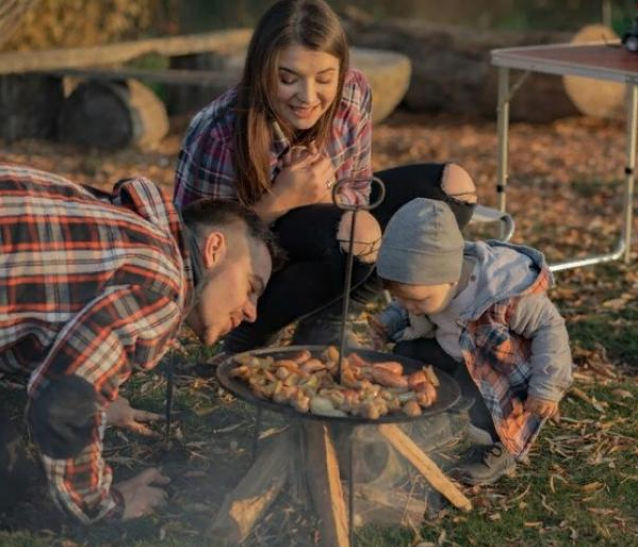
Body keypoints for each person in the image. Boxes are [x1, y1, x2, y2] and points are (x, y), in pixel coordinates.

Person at [174, 0, 478, 353]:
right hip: (256, 256)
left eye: (324, 79)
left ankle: (328, 318)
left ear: (341, 70)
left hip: (325, 221)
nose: (307, 97)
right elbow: (195, 247)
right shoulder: (219, 131)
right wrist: (281, 199)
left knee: (453, 189)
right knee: (357, 232)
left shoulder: (353, 92)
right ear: (261, 70)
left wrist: (323, 193)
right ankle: (251, 331)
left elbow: (360, 191)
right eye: (287, 79)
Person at [0, 165, 277, 524]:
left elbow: (44, 302)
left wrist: (101, 398)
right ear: (214, 249)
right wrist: (103, 503)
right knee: (15, 481)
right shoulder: (160, 283)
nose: (252, 313)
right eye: (251, 287)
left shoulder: (125, 226)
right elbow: (63, 403)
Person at [370, 199, 572, 485]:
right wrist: (387, 324)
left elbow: (551, 328)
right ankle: (425, 414)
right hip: (453, 349)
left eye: (417, 300)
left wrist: (548, 387)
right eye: (402, 299)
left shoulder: (502, 294)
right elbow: (406, 306)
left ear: (450, 279)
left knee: (474, 399)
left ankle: (498, 446)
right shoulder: (429, 287)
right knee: (406, 355)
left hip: (495, 371)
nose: (410, 308)